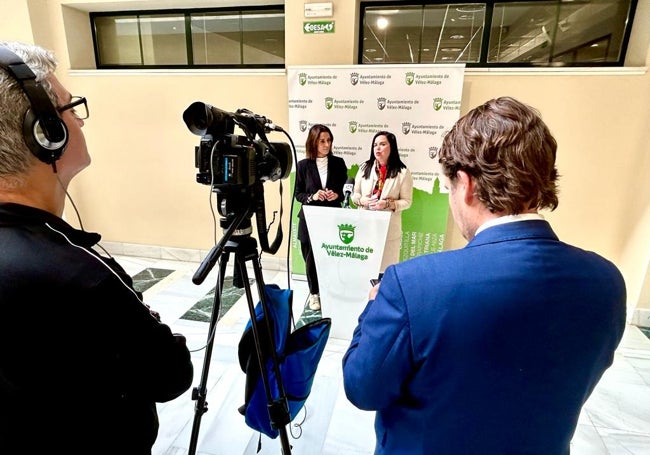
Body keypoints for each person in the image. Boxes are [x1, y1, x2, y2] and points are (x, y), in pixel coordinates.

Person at [342, 97, 626, 454]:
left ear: (468, 184)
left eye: (449, 189)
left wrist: (372, 307)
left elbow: (361, 387)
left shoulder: (413, 286)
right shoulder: (607, 283)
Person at [0, 41, 193, 454]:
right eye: (72, 109)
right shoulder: (79, 275)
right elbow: (170, 375)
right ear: (45, 134)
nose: (81, 123)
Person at [295, 124, 348, 310]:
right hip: (309, 218)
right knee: (310, 257)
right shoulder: (302, 165)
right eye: (322, 141)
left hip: (332, 217)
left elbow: (345, 191)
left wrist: (337, 195)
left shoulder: (339, 163)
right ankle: (314, 293)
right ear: (313, 142)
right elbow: (298, 194)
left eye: (329, 140)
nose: (327, 145)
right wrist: (313, 196)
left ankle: (331, 290)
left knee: (331, 256)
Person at [351, 130, 413, 272]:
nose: (377, 148)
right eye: (375, 145)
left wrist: (388, 204)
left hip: (388, 230)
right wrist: (362, 201)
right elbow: (355, 195)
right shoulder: (364, 168)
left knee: (384, 270)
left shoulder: (402, 172)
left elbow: (407, 201)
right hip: (365, 226)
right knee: (364, 268)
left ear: (392, 147)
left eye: (382, 144)